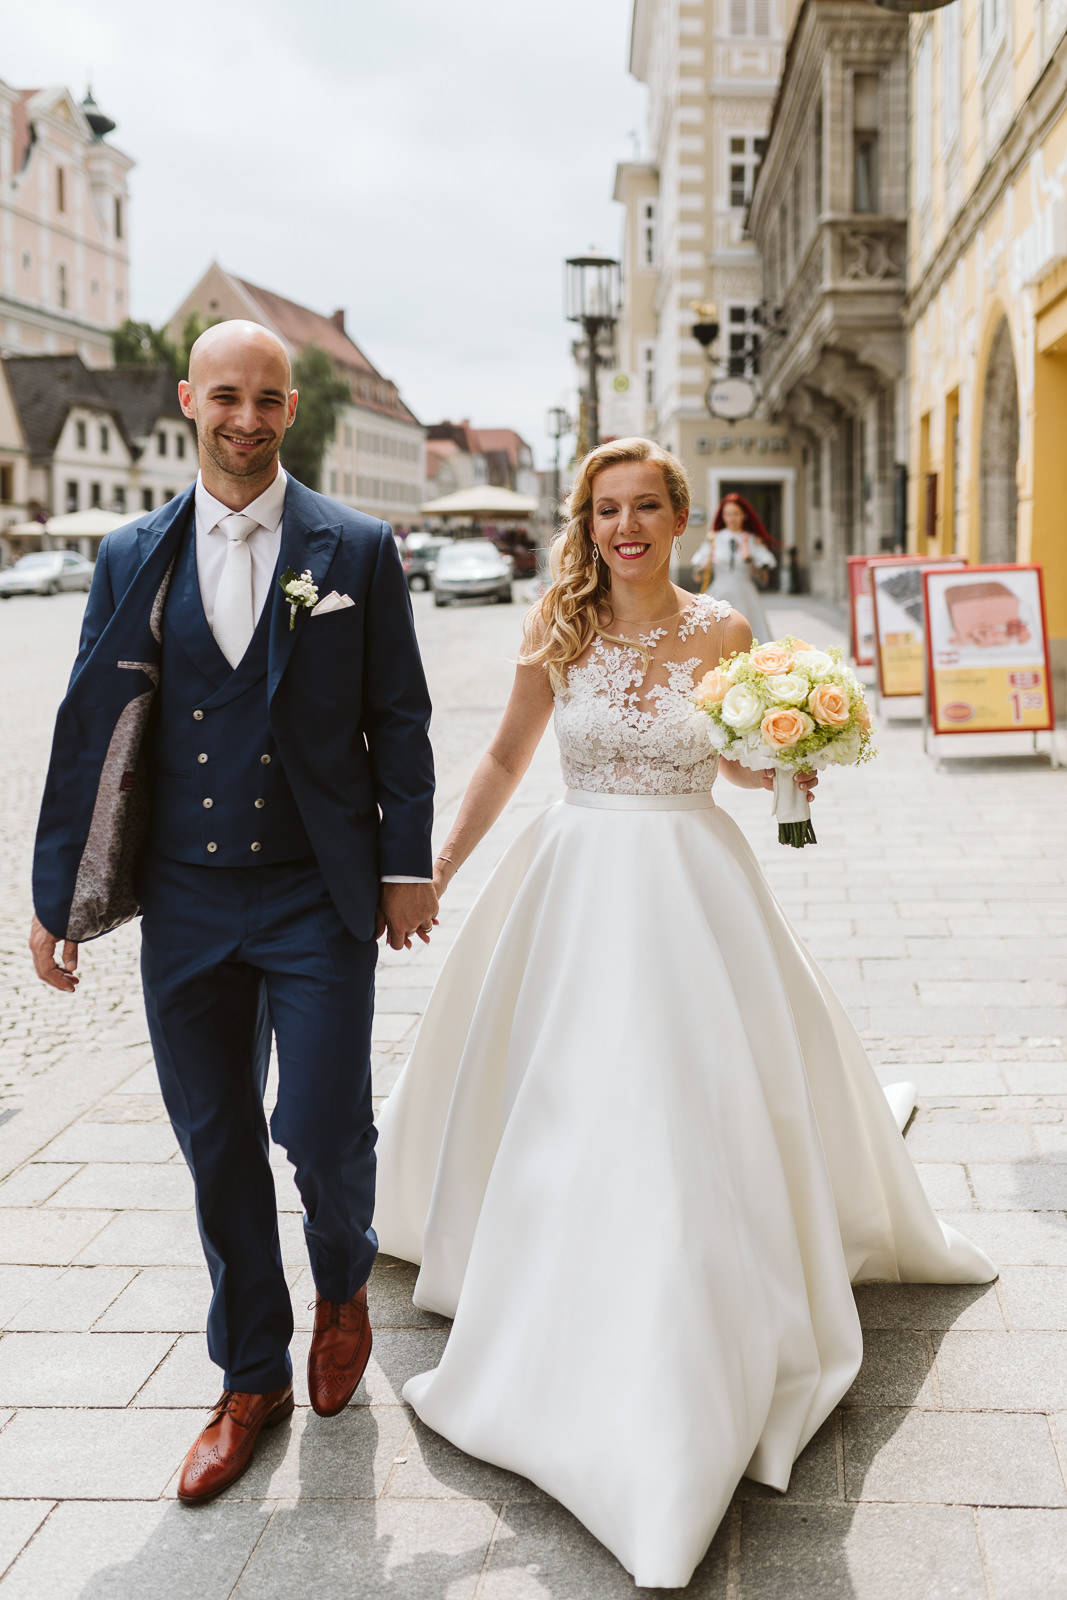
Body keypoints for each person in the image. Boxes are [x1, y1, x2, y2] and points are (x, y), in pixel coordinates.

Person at [372, 437, 995, 1590]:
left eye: (644, 507)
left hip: (690, 882)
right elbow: (507, 755)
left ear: (680, 516)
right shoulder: (555, 624)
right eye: (605, 510)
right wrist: (439, 864)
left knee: (688, 1100)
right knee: (561, 1093)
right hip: (571, 880)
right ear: (586, 520)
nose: (624, 528)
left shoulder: (722, 633)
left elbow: (745, 766)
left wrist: (794, 748)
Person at [29, 321, 437, 1504]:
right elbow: (87, 725)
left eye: (267, 400)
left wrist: (403, 863)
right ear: (187, 401)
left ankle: (343, 1283)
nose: (246, 420)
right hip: (190, 901)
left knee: (317, 1125)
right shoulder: (129, 552)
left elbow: (399, 718)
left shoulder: (353, 547)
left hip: (316, 891)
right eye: (226, 398)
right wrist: (57, 894)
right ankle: (246, 1376)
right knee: (215, 1147)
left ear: (292, 408)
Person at [691, 491, 776, 643]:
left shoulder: (752, 540)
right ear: (722, 516)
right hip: (718, 594)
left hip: (745, 595)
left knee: (750, 637)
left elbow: (765, 579)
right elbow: (696, 575)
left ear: (744, 515)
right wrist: (705, 563)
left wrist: (749, 560)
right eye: (728, 514)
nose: (732, 518)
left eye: (736, 513)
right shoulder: (714, 538)